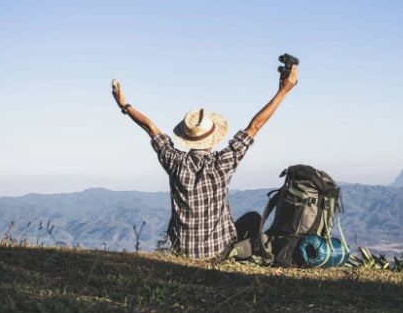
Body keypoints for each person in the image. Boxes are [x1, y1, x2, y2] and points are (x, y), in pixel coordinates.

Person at [111, 65, 298, 258]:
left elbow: (150, 128)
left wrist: (124, 105)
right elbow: (255, 126)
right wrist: (283, 92)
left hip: (182, 251)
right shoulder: (223, 162)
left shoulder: (174, 161)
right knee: (253, 219)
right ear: (213, 139)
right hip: (219, 251)